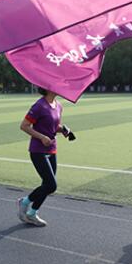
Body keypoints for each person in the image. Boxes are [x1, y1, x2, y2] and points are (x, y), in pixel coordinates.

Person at [17, 88, 75, 227]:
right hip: (38, 150)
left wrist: (64, 130)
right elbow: (24, 126)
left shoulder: (59, 105)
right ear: (49, 87)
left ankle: (31, 213)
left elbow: (53, 126)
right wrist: (42, 137)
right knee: (51, 185)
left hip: (52, 149)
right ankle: (25, 202)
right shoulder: (39, 106)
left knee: (47, 186)